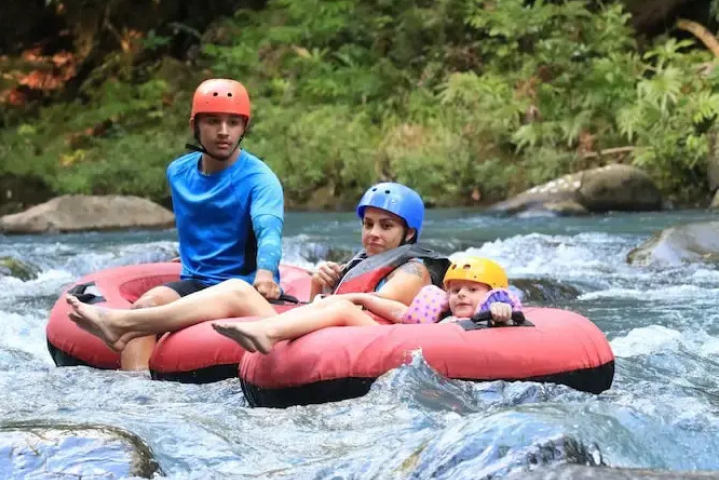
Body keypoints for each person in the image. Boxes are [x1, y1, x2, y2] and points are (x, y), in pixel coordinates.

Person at [65, 182, 447, 360]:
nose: (373, 234)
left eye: (386, 226)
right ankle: (129, 326)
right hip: (329, 329)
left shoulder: (414, 267)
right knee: (236, 288)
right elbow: (327, 303)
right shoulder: (360, 261)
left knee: (235, 292)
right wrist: (319, 284)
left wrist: (332, 297)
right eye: (369, 224)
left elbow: (376, 309)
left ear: (408, 232)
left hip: (366, 340)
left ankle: (125, 326)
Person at [81, 77, 284, 370]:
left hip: (243, 287)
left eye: (233, 122)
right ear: (195, 126)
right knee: (146, 306)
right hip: (196, 281)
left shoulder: (260, 180)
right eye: (213, 121)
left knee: (149, 315)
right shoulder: (178, 173)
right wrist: (189, 253)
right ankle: (135, 399)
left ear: (244, 128)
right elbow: (201, 221)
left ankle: (120, 326)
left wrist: (265, 272)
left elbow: (269, 231)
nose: (223, 132)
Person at [211, 256, 521, 355]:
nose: (461, 296)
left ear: (491, 293)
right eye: (455, 290)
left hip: (407, 352)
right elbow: (401, 314)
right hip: (403, 344)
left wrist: (499, 313)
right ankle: (267, 329)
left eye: (472, 289)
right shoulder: (440, 311)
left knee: (343, 313)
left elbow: (504, 311)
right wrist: (355, 297)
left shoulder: (494, 311)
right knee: (339, 306)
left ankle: (269, 333)